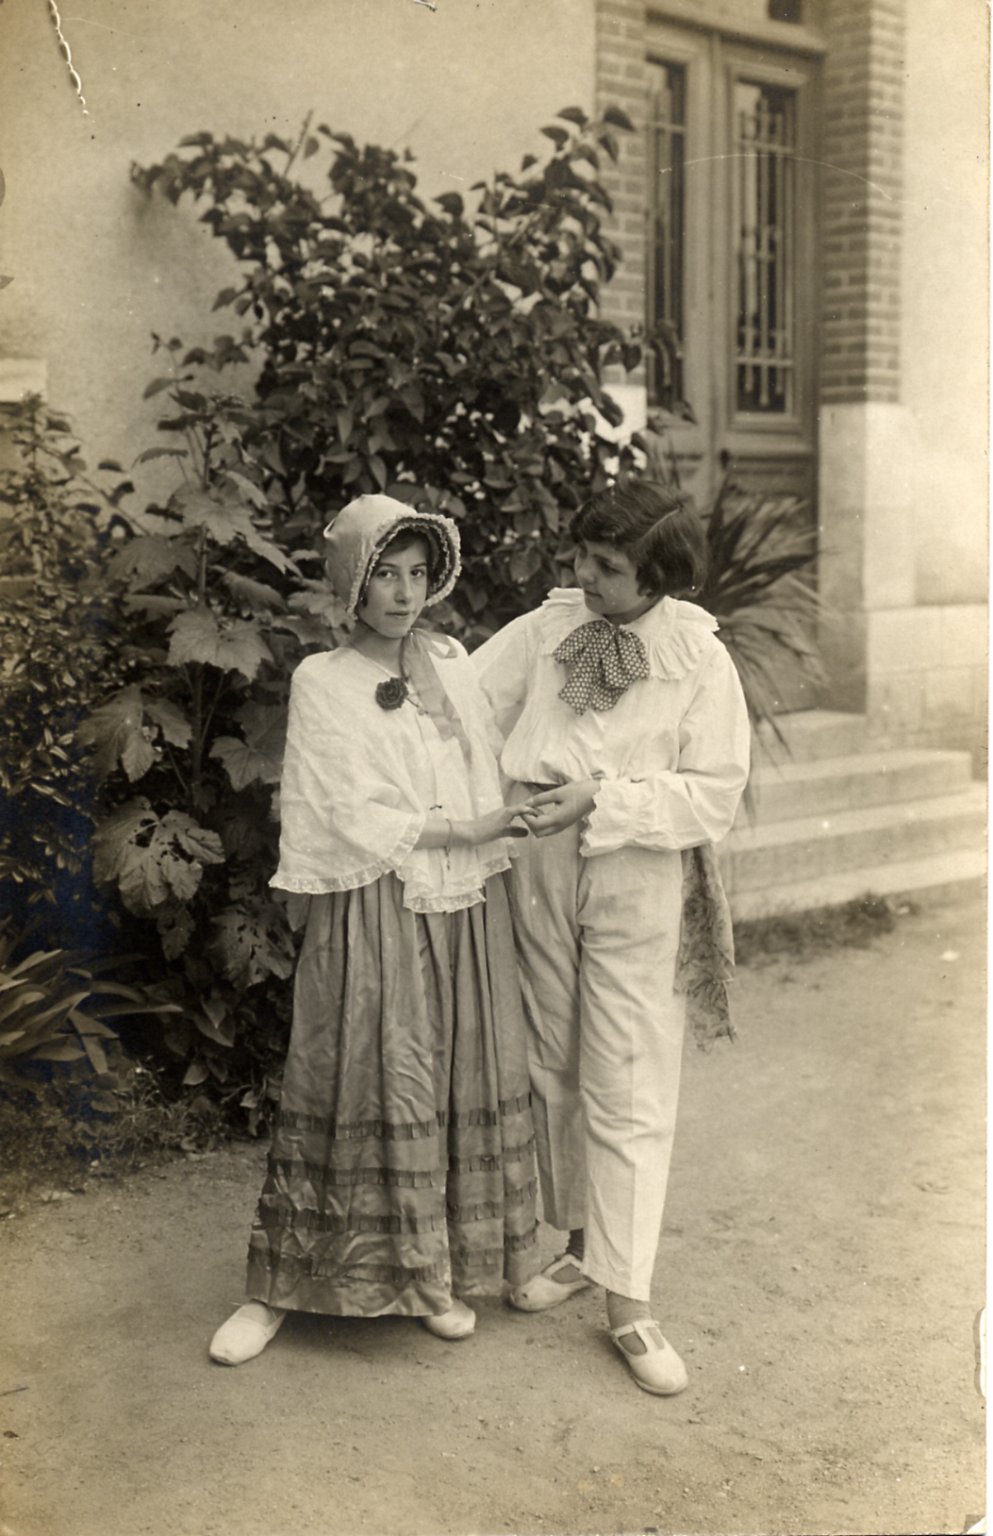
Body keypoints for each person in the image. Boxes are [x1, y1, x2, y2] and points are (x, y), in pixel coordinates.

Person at [209, 493, 538, 1365]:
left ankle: (430, 1272)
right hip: (376, 901)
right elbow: (344, 811)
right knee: (363, 1074)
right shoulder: (324, 681)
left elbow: (485, 763)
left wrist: (498, 822)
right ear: (352, 583)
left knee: (446, 1074)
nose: (402, 593)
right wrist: (462, 829)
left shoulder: (452, 663)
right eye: (384, 575)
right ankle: (281, 1285)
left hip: (461, 903)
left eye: (417, 574)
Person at [473, 479, 750, 1396]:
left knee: (628, 1069)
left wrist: (603, 798)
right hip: (535, 859)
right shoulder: (548, 628)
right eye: (581, 556)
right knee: (551, 1058)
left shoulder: (696, 656)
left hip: (636, 864)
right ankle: (580, 1244)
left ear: (657, 577)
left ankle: (628, 1298)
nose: (583, 574)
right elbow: (464, 706)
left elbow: (713, 792)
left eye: (606, 566)